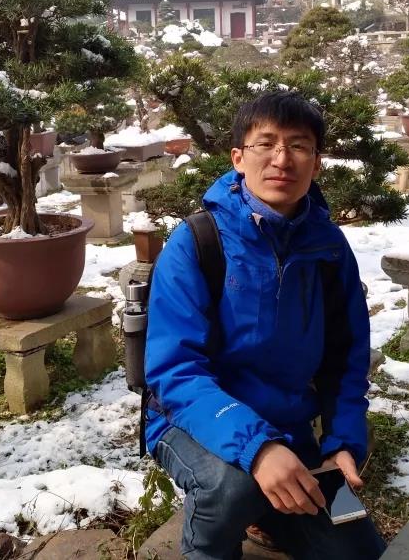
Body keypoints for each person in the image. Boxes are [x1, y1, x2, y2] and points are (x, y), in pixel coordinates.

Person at [144, 91, 386, 559]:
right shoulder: (198, 241)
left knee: (360, 550)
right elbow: (176, 371)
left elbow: (346, 360)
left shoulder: (329, 249)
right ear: (238, 158)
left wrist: (343, 443)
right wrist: (258, 449)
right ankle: (209, 547)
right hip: (190, 419)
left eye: (299, 146)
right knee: (232, 487)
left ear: (316, 163)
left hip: (290, 429)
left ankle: (269, 511)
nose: (282, 159)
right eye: (266, 144)